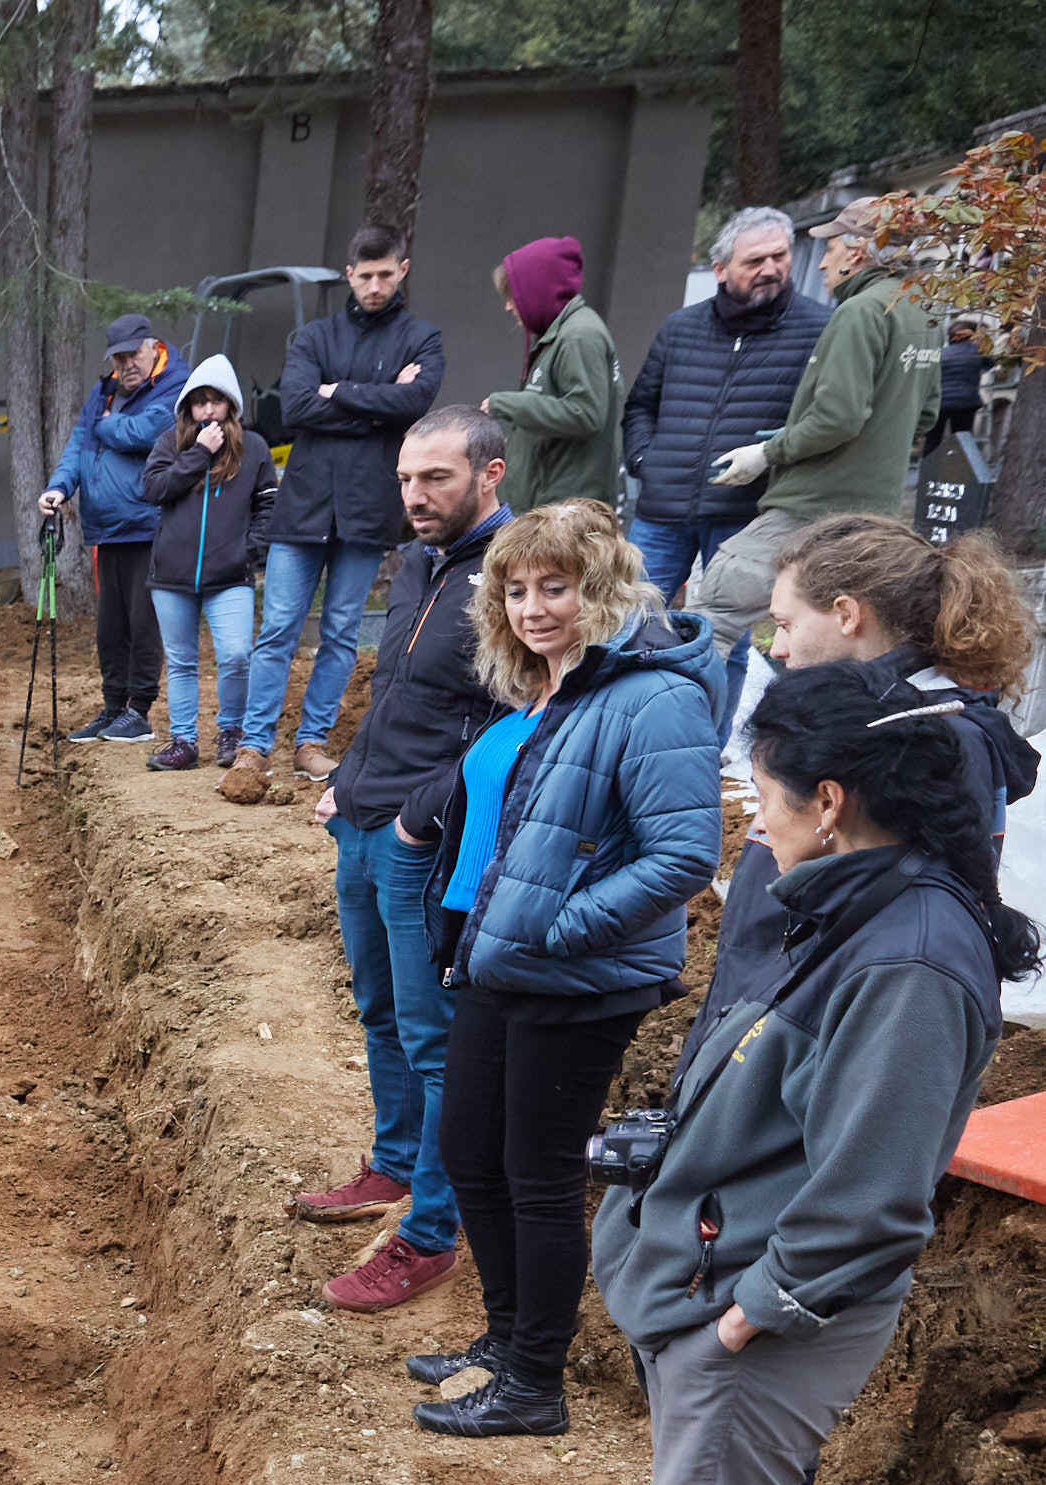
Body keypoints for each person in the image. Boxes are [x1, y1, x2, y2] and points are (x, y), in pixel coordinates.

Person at [575, 657, 1035, 1485]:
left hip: (765, 1322)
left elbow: (871, 1196)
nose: (752, 817)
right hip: (728, 1290)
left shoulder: (911, 958)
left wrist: (745, 1317)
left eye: (765, 793)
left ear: (829, 800)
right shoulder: (862, 906)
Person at [394, 503, 720, 1437]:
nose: (533, 607)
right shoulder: (549, 689)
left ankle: (534, 1383)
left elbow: (683, 854)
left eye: (556, 587)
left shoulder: (653, 698)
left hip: (578, 976)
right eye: (516, 589)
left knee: (536, 1176)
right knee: (470, 1152)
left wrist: (558, 928)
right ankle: (505, 1340)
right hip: (502, 962)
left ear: (602, 589)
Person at [287, 410, 511, 1317]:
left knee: (433, 1038)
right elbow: (397, 694)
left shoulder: (512, 579)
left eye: (437, 479)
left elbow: (515, 726)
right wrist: (346, 780)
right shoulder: (419, 562)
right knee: (379, 1009)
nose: (415, 496)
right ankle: (392, 1164)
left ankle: (432, 1233)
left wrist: (423, 816)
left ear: (490, 475)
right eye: (407, 479)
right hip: (363, 820)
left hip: (425, 842)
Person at [695, 515, 1040, 1030]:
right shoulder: (858, 719)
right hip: (768, 1012)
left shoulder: (926, 737)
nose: (777, 649)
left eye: (785, 624)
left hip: (811, 1031)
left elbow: (903, 933)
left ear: (846, 614)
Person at [234, 226, 448, 786]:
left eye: (385, 274)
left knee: (340, 633)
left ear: (402, 270)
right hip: (303, 505)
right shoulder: (313, 336)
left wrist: (339, 392)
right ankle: (254, 746)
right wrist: (379, 404)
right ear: (349, 275)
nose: (375, 285)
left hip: (368, 508)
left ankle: (311, 743)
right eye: (365, 275)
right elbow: (296, 407)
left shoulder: (422, 338)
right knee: (278, 629)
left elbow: (417, 402)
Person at [696, 197, 945, 673]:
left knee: (713, 617)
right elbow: (926, 414)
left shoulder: (860, 312)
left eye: (831, 249)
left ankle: (680, 723)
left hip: (810, 508)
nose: (823, 262)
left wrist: (768, 451)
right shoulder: (923, 310)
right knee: (840, 645)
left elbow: (837, 419)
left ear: (858, 252)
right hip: (873, 514)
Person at [621, 206, 825, 614]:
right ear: (720, 269)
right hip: (663, 511)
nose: (770, 269)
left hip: (747, 514)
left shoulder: (820, 328)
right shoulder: (680, 327)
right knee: (628, 623)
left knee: (725, 635)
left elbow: (821, 421)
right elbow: (641, 404)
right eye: (754, 261)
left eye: (780, 256)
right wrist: (645, 461)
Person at [39, 313, 183, 743]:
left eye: (133, 354)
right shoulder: (102, 392)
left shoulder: (176, 385)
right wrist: (58, 487)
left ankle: (140, 711)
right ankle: (114, 707)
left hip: (149, 525)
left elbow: (146, 432)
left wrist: (101, 424)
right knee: (110, 627)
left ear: (152, 347)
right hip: (105, 529)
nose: (126, 365)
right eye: (118, 358)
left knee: (143, 622)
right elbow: (77, 447)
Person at [140, 354, 279, 782]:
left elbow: (268, 504)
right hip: (171, 576)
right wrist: (199, 454)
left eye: (216, 401)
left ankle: (232, 732)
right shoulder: (170, 443)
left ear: (230, 405)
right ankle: (183, 740)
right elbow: (153, 489)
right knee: (181, 660)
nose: (208, 410)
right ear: (188, 408)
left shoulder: (254, 448)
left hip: (230, 575)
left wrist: (248, 551)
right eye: (199, 402)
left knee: (236, 655)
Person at [486, 236, 623, 511]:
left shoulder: (579, 335)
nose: (508, 306)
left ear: (538, 290)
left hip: (562, 513)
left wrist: (506, 404)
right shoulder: (560, 332)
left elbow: (586, 414)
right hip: (544, 507)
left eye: (513, 296)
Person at [930, 318, 986, 457]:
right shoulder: (977, 351)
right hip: (965, 401)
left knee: (933, 439)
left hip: (940, 401)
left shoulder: (942, 353)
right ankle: (960, 466)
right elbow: (990, 364)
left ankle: (928, 466)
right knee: (963, 440)